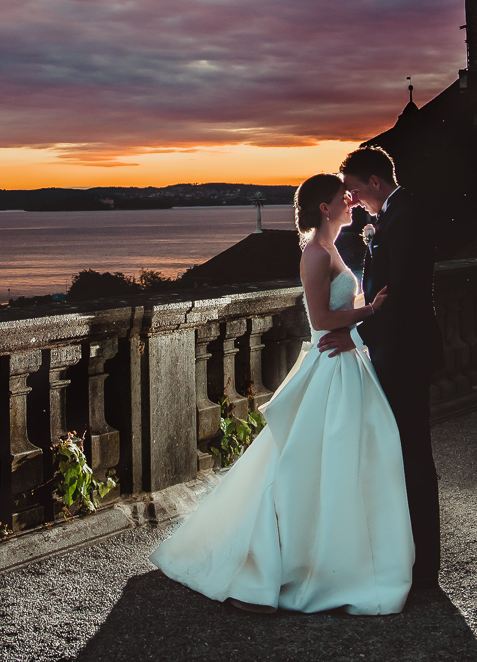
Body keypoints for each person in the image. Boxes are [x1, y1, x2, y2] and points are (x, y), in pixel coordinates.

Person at [149, 173, 414, 615]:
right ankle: (275, 566)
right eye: (342, 199)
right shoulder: (314, 253)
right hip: (330, 364)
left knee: (344, 464)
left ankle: (338, 559)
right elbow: (322, 318)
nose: (351, 204)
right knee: (304, 467)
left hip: (346, 365)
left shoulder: (331, 249)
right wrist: (371, 310)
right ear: (324, 209)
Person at [324, 144, 443, 595]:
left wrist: (354, 336)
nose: (352, 199)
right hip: (398, 348)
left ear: (376, 182)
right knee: (402, 454)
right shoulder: (394, 214)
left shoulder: (405, 213)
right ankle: (407, 562)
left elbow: (403, 294)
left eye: (355, 189)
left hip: (405, 351)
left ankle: (423, 571)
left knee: (411, 456)